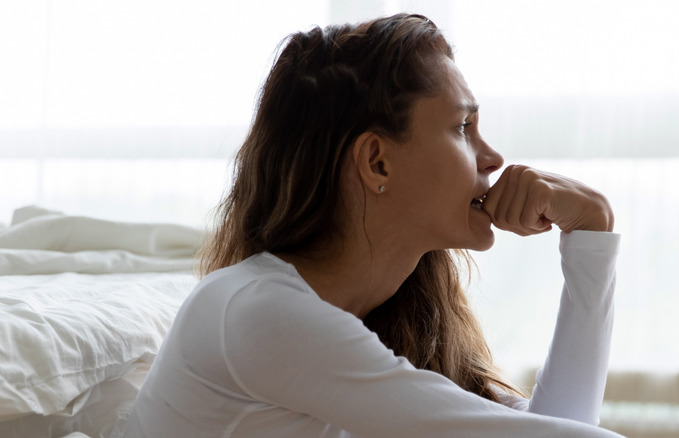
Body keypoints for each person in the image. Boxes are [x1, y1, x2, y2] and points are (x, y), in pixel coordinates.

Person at [124, 13, 622, 438]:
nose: (492, 158)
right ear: (377, 163)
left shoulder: (380, 321)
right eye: (463, 128)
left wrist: (593, 234)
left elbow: (556, 425)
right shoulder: (257, 313)